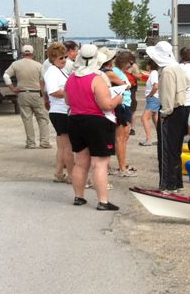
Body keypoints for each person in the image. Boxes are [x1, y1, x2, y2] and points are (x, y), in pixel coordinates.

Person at [64, 44, 124, 210]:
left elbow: (67, 101)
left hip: (75, 120)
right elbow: (106, 105)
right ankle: (103, 201)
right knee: (100, 163)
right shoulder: (97, 79)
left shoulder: (71, 78)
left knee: (80, 162)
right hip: (97, 121)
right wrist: (118, 99)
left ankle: (79, 196)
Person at [149, 41, 190, 193]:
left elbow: (167, 95)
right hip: (182, 109)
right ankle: (176, 183)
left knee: (165, 150)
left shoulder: (166, 71)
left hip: (170, 112)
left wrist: (164, 113)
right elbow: (187, 83)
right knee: (175, 150)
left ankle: (167, 184)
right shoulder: (177, 67)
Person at [4, 43, 52, 148]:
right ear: (32, 54)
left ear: (22, 54)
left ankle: (30, 143)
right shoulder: (39, 65)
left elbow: (6, 75)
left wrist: (12, 88)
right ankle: (44, 142)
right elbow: (44, 80)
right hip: (37, 94)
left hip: (22, 94)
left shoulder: (15, 64)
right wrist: (45, 95)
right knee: (42, 118)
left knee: (27, 119)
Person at [42, 42, 73, 184]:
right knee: (67, 146)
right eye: (61, 58)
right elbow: (53, 91)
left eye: (65, 57)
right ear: (53, 59)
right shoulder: (52, 72)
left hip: (60, 110)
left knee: (62, 145)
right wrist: (72, 94)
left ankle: (59, 173)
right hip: (60, 111)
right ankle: (72, 175)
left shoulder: (60, 70)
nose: (64, 60)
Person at [109, 50, 136, 177]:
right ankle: (122, 168)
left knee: (124, 137)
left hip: (126, 105)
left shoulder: (119, 72)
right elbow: (126, 86)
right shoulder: (114, 72)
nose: (131, 66)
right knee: (120, 138)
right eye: (130, 63)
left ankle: (123, 164)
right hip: (121, 106)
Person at [138, 58, 159, 146]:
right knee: (155, 118)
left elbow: (155, 86)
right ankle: (161, 138)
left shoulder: (154, 73)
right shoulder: (154, 73)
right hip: (154, 98)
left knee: (144, 118)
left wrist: (150, 95)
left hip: (153, 98)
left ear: (150, 65)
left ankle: (148, 139)